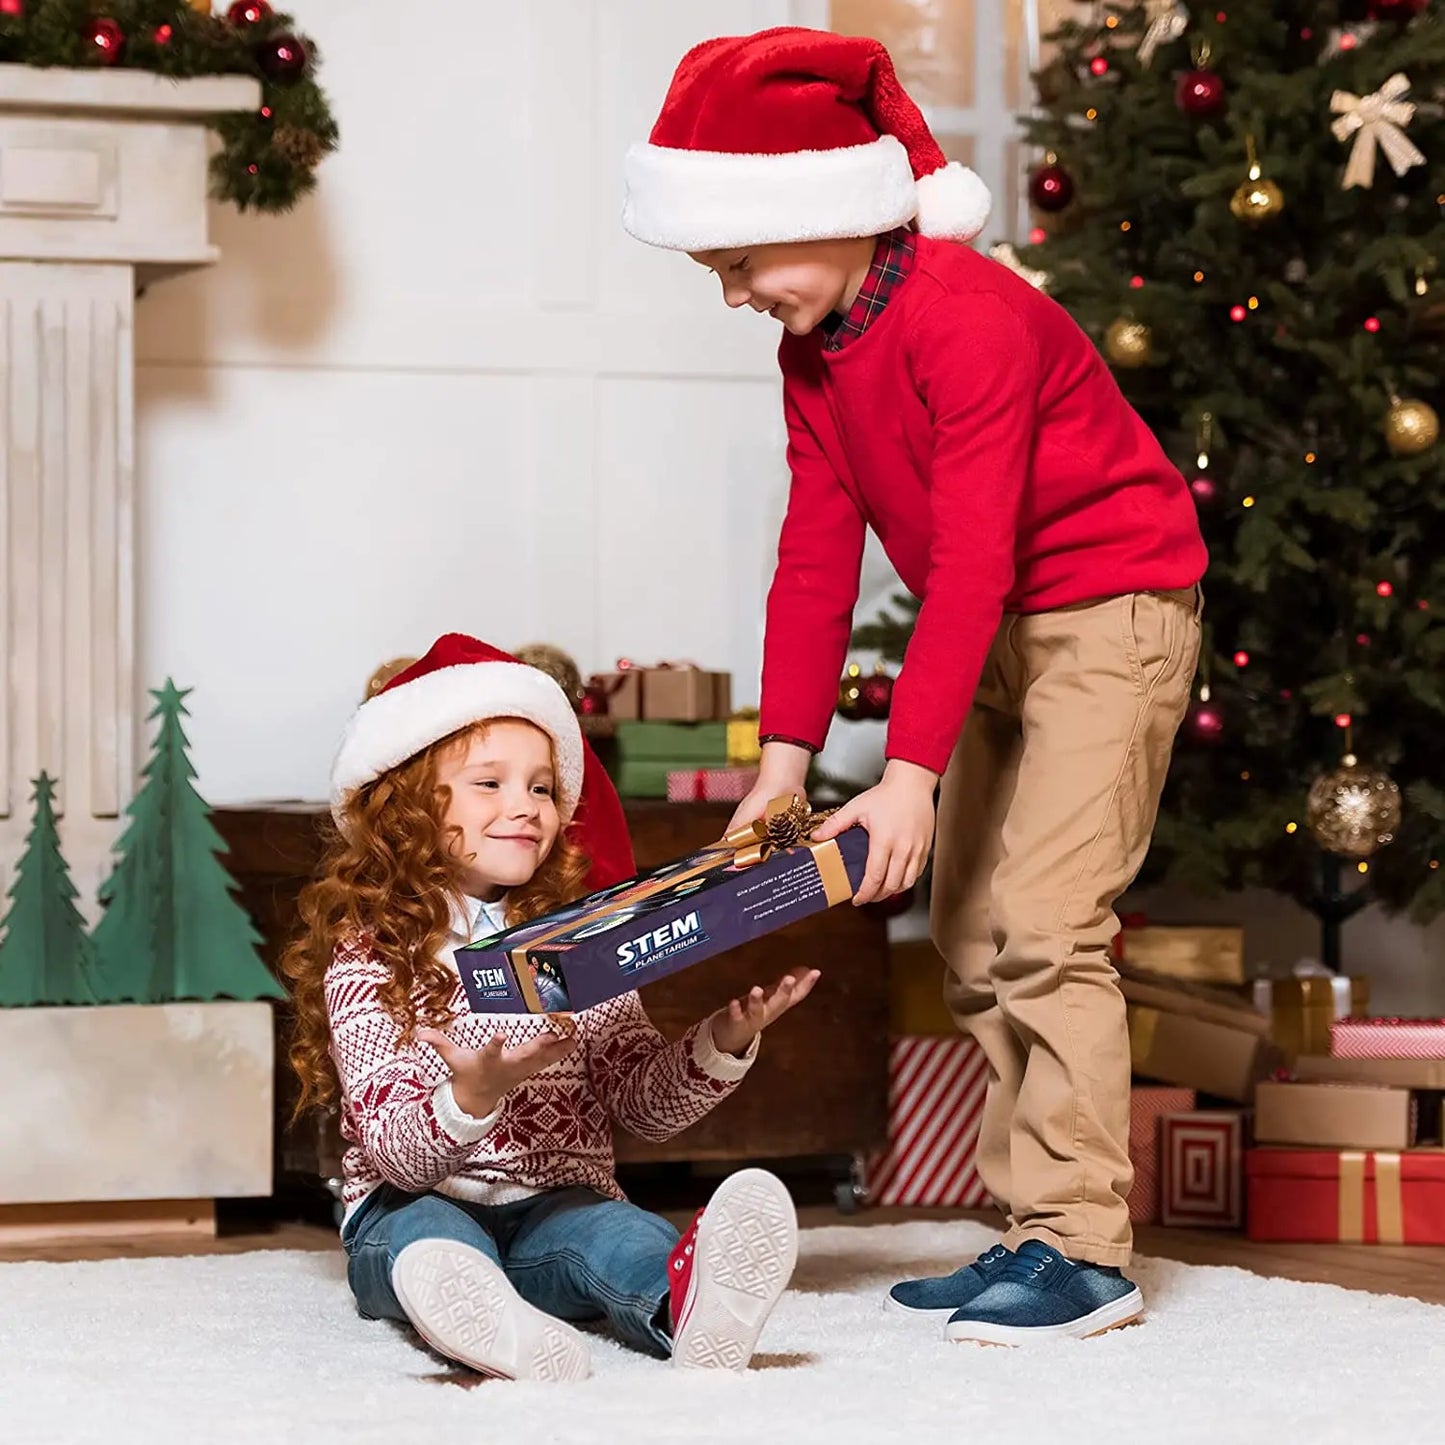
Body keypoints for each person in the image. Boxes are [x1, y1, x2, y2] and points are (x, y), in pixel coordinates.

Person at [624, 27, 1206, 1345]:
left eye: (738, 263)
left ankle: (1084, 1252)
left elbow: (970, 559)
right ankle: (1026, 1230)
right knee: (968, 938)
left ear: (830, 213)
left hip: (1108, 615)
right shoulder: (813, 352)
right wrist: (783, 764)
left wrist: (906, 777)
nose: (730, 296)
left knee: (1048, 924)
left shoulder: (973, 320)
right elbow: (817, 553)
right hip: (995, 627)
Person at [282, 633, 817, 1380]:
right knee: (429, 1238)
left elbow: (641, 1105)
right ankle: (488, 1321)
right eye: (489, 784)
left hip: (553, 1202)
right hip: (411, 1201)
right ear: (407, 808)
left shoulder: (581, 942)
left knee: (616, 1233)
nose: (525, 807)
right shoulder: (372, 952)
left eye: (540, 787)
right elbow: (396, 1154)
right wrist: (473, 1093)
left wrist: (720, 1042)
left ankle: (684, 1306)